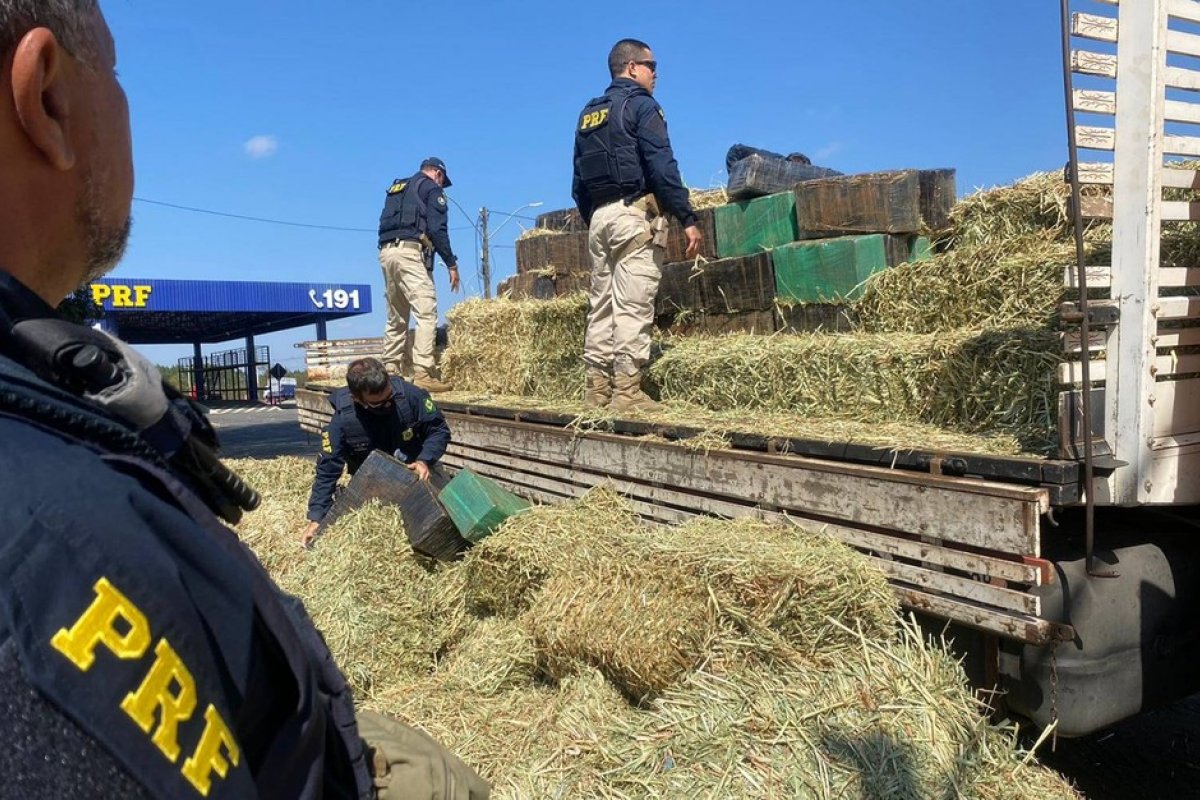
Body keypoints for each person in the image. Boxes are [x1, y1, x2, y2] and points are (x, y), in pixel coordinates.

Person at [0, 3, 487, 797]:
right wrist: (317, 523)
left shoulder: (55, 389)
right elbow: (330, 472)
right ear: (47, 97)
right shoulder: (51, 529)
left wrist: (427, 466)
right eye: (116, 74)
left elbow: (435, 434)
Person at [572, 38, 701, 412]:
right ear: (631, 67)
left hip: (599, 219)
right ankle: (627, 394)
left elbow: (578, 179)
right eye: (651, 65)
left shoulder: (588, 114)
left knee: (601, 307)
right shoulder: (642, 106)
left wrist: (595, 217)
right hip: (633, 215)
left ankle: (596, 392)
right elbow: (662, 166)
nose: (656, 73)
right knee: (633, 304)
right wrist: (687, 217)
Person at [302, 357, 451, 547]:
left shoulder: (410, 395)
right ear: (356, 399)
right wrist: (316, 517)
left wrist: (424, 460)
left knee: (445, 520)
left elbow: (439, 431)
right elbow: (328, 468)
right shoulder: (342, 422)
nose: (388, 405)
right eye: (379, 404)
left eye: (390, 398)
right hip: (373, 485)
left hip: (419, 473)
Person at [377, 157, 461, 393]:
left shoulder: (399, 188)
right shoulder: (432, 188)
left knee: (396, 315)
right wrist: (451, 264)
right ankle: (424, 372)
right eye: (442, 181)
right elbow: (437, 229)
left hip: (386, 253)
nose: (442, 186)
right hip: (411, 253)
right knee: (425, 311)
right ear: (437, 173)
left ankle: (390, 369)